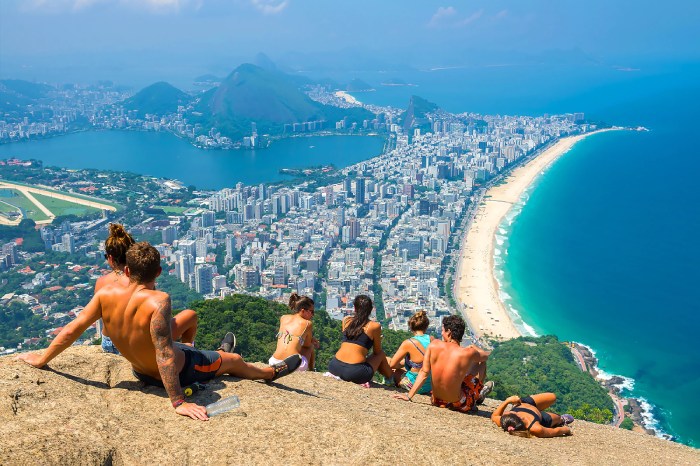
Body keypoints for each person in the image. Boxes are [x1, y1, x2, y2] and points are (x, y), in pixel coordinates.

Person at [17, 242, 301, 421]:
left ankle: (218, 356)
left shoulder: (105, 294)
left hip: (139, 372)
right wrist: (178, 401)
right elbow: (165, 354)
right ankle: (270, 373)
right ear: (160, 272)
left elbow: (74, 327)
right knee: (235, 362)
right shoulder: (158, 300)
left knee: (202, 352)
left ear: (126, 271)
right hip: (181, 371)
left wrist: (43, 358)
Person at [97, 223, 198, 354]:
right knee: (190, 316)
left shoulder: (101, 282)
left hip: (108, 343)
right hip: (135, 345)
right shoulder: (139, 280)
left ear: (110, 258)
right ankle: (188, 350)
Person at [392, 315, 493, 412]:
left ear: (449, 332)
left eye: (442, 330)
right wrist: (473, 347)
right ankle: (475, 399)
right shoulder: (468, 353)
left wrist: (409, 396)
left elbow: (423, 373)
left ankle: (475, 395)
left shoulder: (433, 345)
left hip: (436, 400)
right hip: (459, 403)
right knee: (481, 363)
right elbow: (485, 356)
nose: (441, 333)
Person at [328, 294, 395, 385]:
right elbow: (377, 351)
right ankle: (391, 379)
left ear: (355, 308)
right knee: (381, 354)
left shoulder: (346, 320)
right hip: (354, 372)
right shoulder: (374, 326)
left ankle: (390, 378)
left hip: (334, 366)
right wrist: (378, 340)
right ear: (371, 310)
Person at [388, 310, 434, 395]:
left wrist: (403, 364)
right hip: (429, 385)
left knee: (397, 372)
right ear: (426, 326)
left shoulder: (408, 343)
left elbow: (392, 364)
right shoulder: (432, 339)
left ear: (411, 327)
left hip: (414, 385)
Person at [270, 293, 318, 371]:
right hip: (294, 366)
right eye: (311, 311)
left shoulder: (283, 318)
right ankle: (312, 370)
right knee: (310, 346)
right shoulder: (307, 324)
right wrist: (311, 340)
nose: (313, 315)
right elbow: (306, 345)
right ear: (303, 311)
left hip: (274, 362)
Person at [491, 393, 574, 438]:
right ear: (521, 418)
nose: (510, 411)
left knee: (552, 397)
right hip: (540, 417)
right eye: (513, 413)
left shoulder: (505, 421)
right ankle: (562, 419)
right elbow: (554, 432)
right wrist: (566, 430)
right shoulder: (535, 427)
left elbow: (494, 416)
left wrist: (508, 401)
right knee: (558, 418)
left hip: (525, 403)